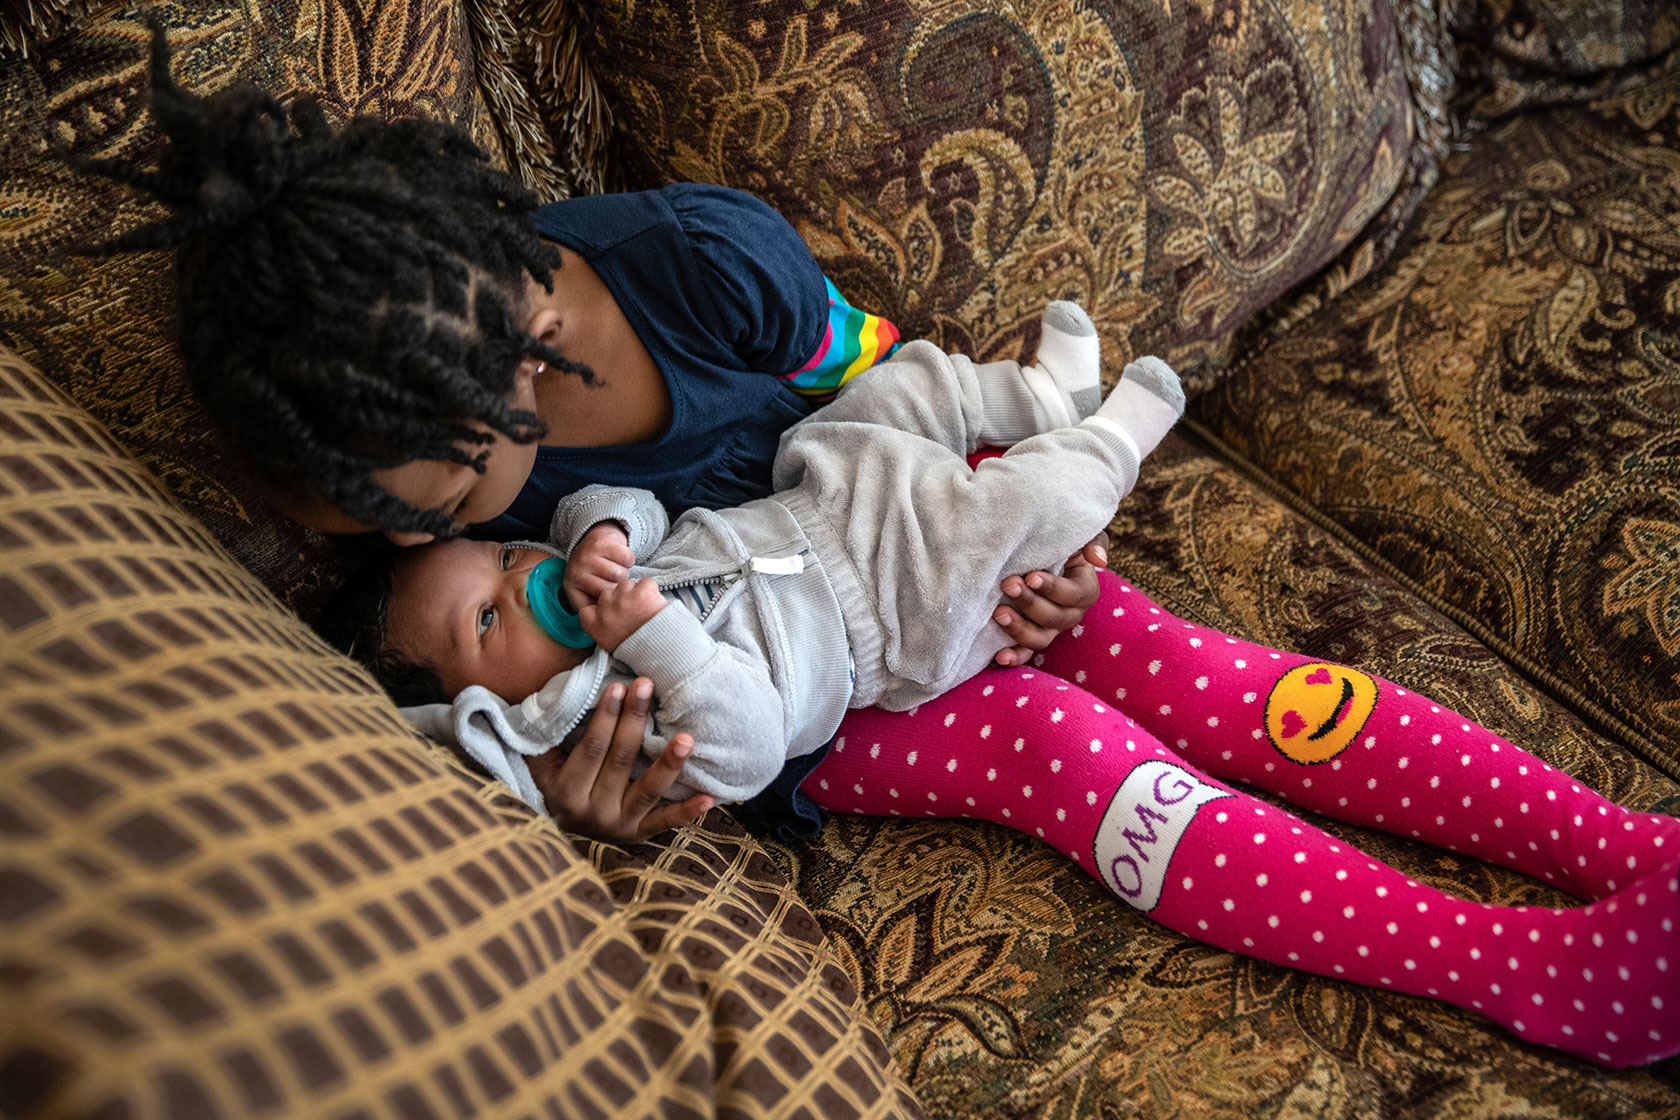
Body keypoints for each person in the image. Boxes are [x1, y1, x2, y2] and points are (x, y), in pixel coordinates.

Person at [351, 311, 1678, 1070]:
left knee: (1194, 670)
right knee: (1064, 745)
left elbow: (865, 380)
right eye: (466, 549)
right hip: (821, 705)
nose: (486, 541)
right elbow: (541, 738)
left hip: (905, 528)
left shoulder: (696, 277)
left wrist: (1052, 541)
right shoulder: (497, 635)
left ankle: (1630, 849)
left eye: (492, 525)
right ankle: (1527, 970)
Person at [82, 21, 1111, 838]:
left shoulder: (716, 268)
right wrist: (578, 796)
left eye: (432, 510)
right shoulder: (420, 462)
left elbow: (889, 388)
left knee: (1114, 624)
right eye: (379, 525)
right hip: (795, 696)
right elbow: (479, 676)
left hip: (901, 527)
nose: (412, 541)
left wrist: (1028, 533)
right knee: (1060, 748)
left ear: (531, 350)